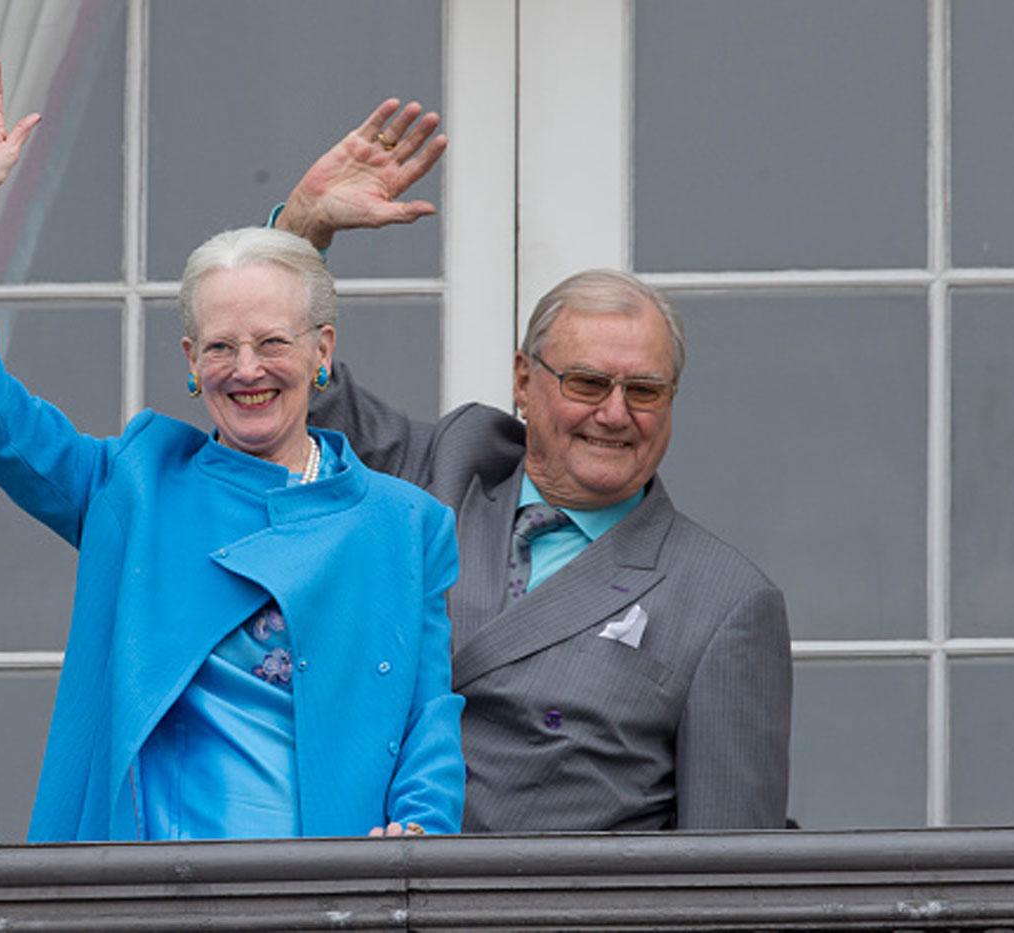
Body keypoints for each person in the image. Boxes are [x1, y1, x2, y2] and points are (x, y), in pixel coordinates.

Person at [0, 47, 464, 842]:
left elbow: (428, 713)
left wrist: (419, 830)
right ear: (190, 364)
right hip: (148, 887)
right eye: (220, 348)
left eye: (272, 341)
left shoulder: (405, 524)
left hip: (325, 889)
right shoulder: (134, 483)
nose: (248, 369)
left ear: (321, 351)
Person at [272, 101, 793, 831]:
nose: (614, 414)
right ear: (524, 381)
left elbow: (729, 870)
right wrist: (303, 229)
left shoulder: (723, 601)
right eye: (586, 383)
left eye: (643, 390)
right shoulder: (442, 472)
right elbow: (284, 396)